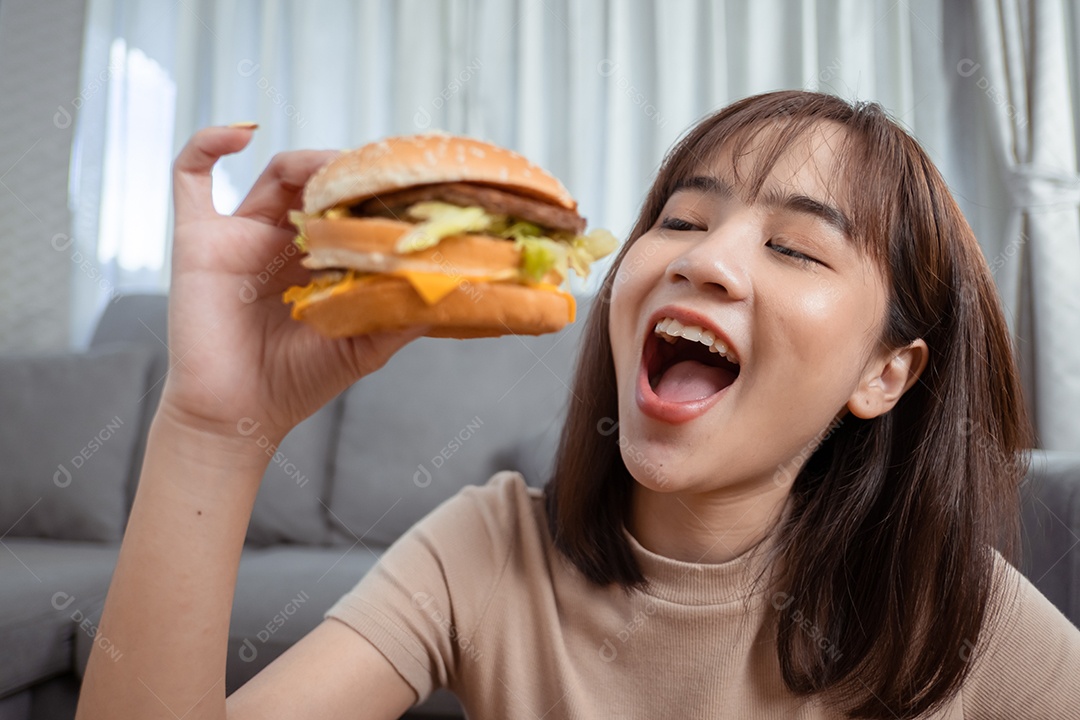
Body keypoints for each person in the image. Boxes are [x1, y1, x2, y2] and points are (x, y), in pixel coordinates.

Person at [76, 91, 1080, 719]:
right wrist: (213, 430)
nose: (703, 258)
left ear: (886, 374)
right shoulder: (484, 551)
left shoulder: (959, 617)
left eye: (792, 247)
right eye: (683, 217)